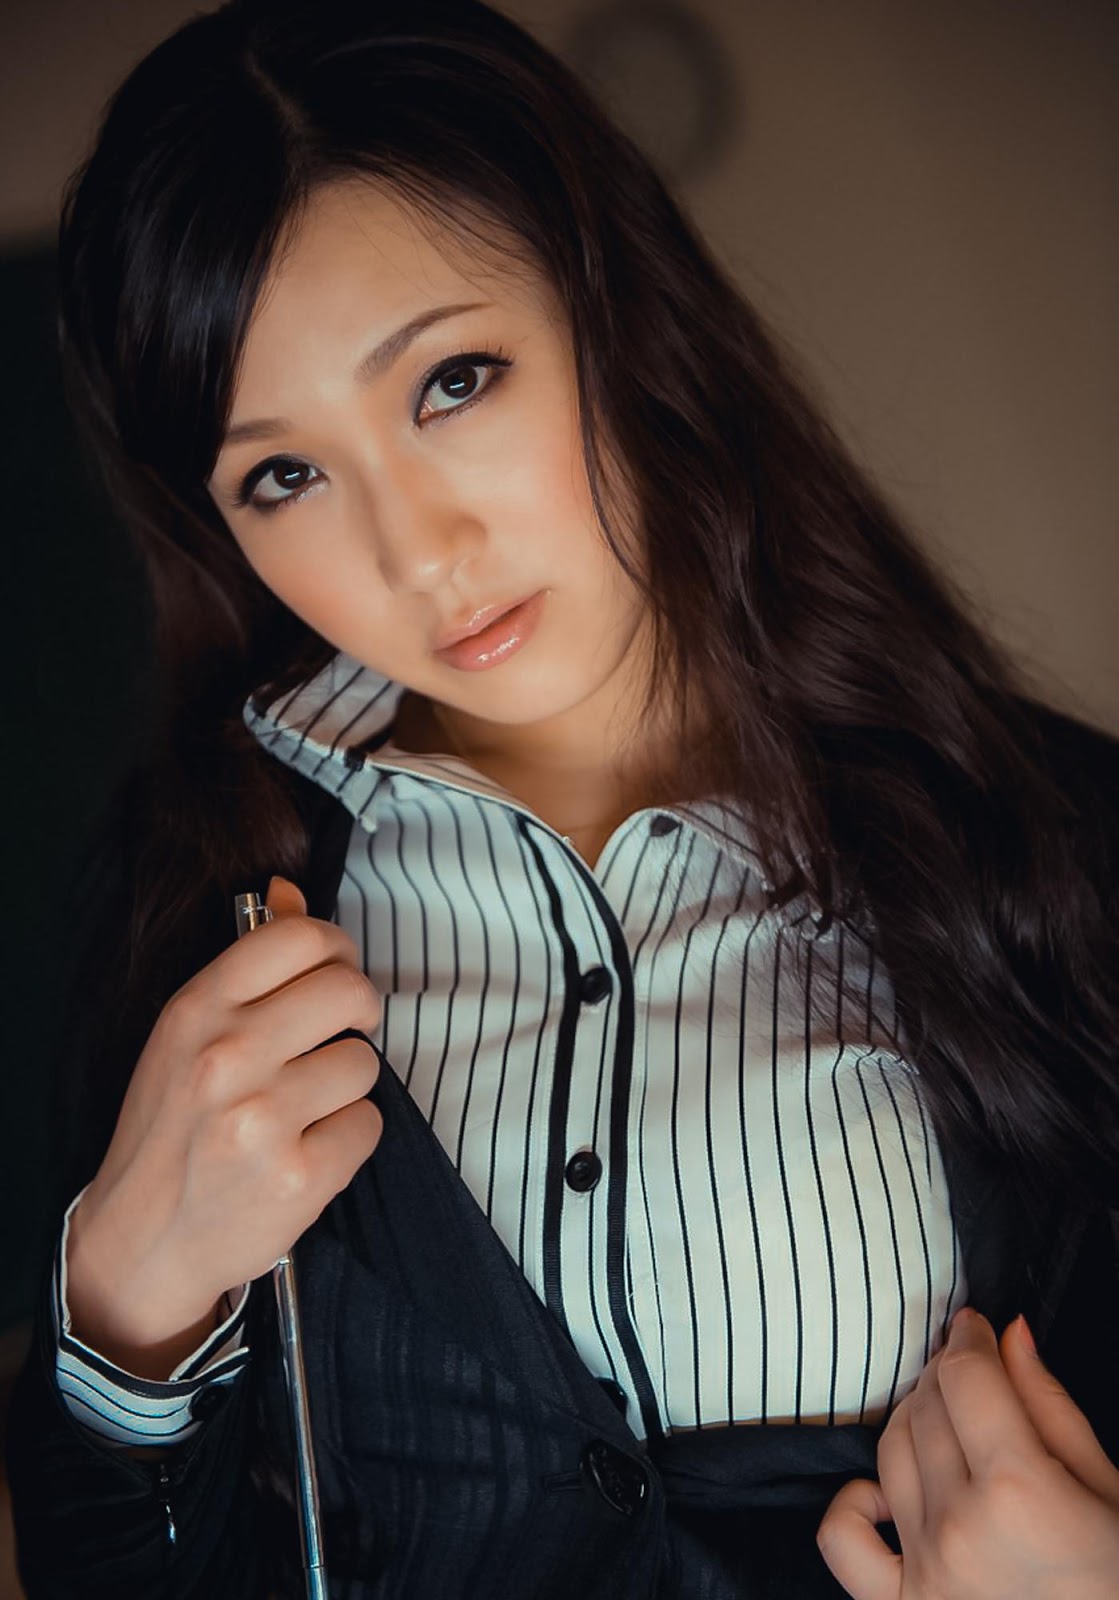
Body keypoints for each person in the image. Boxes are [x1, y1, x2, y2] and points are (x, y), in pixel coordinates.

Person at [6, 0, 1118, 1595]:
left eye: (453, 381)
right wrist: (124, 1310)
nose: (418, 551)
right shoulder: (186, 906)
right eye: (283, 475)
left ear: (619, 314)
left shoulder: (1067, 841)